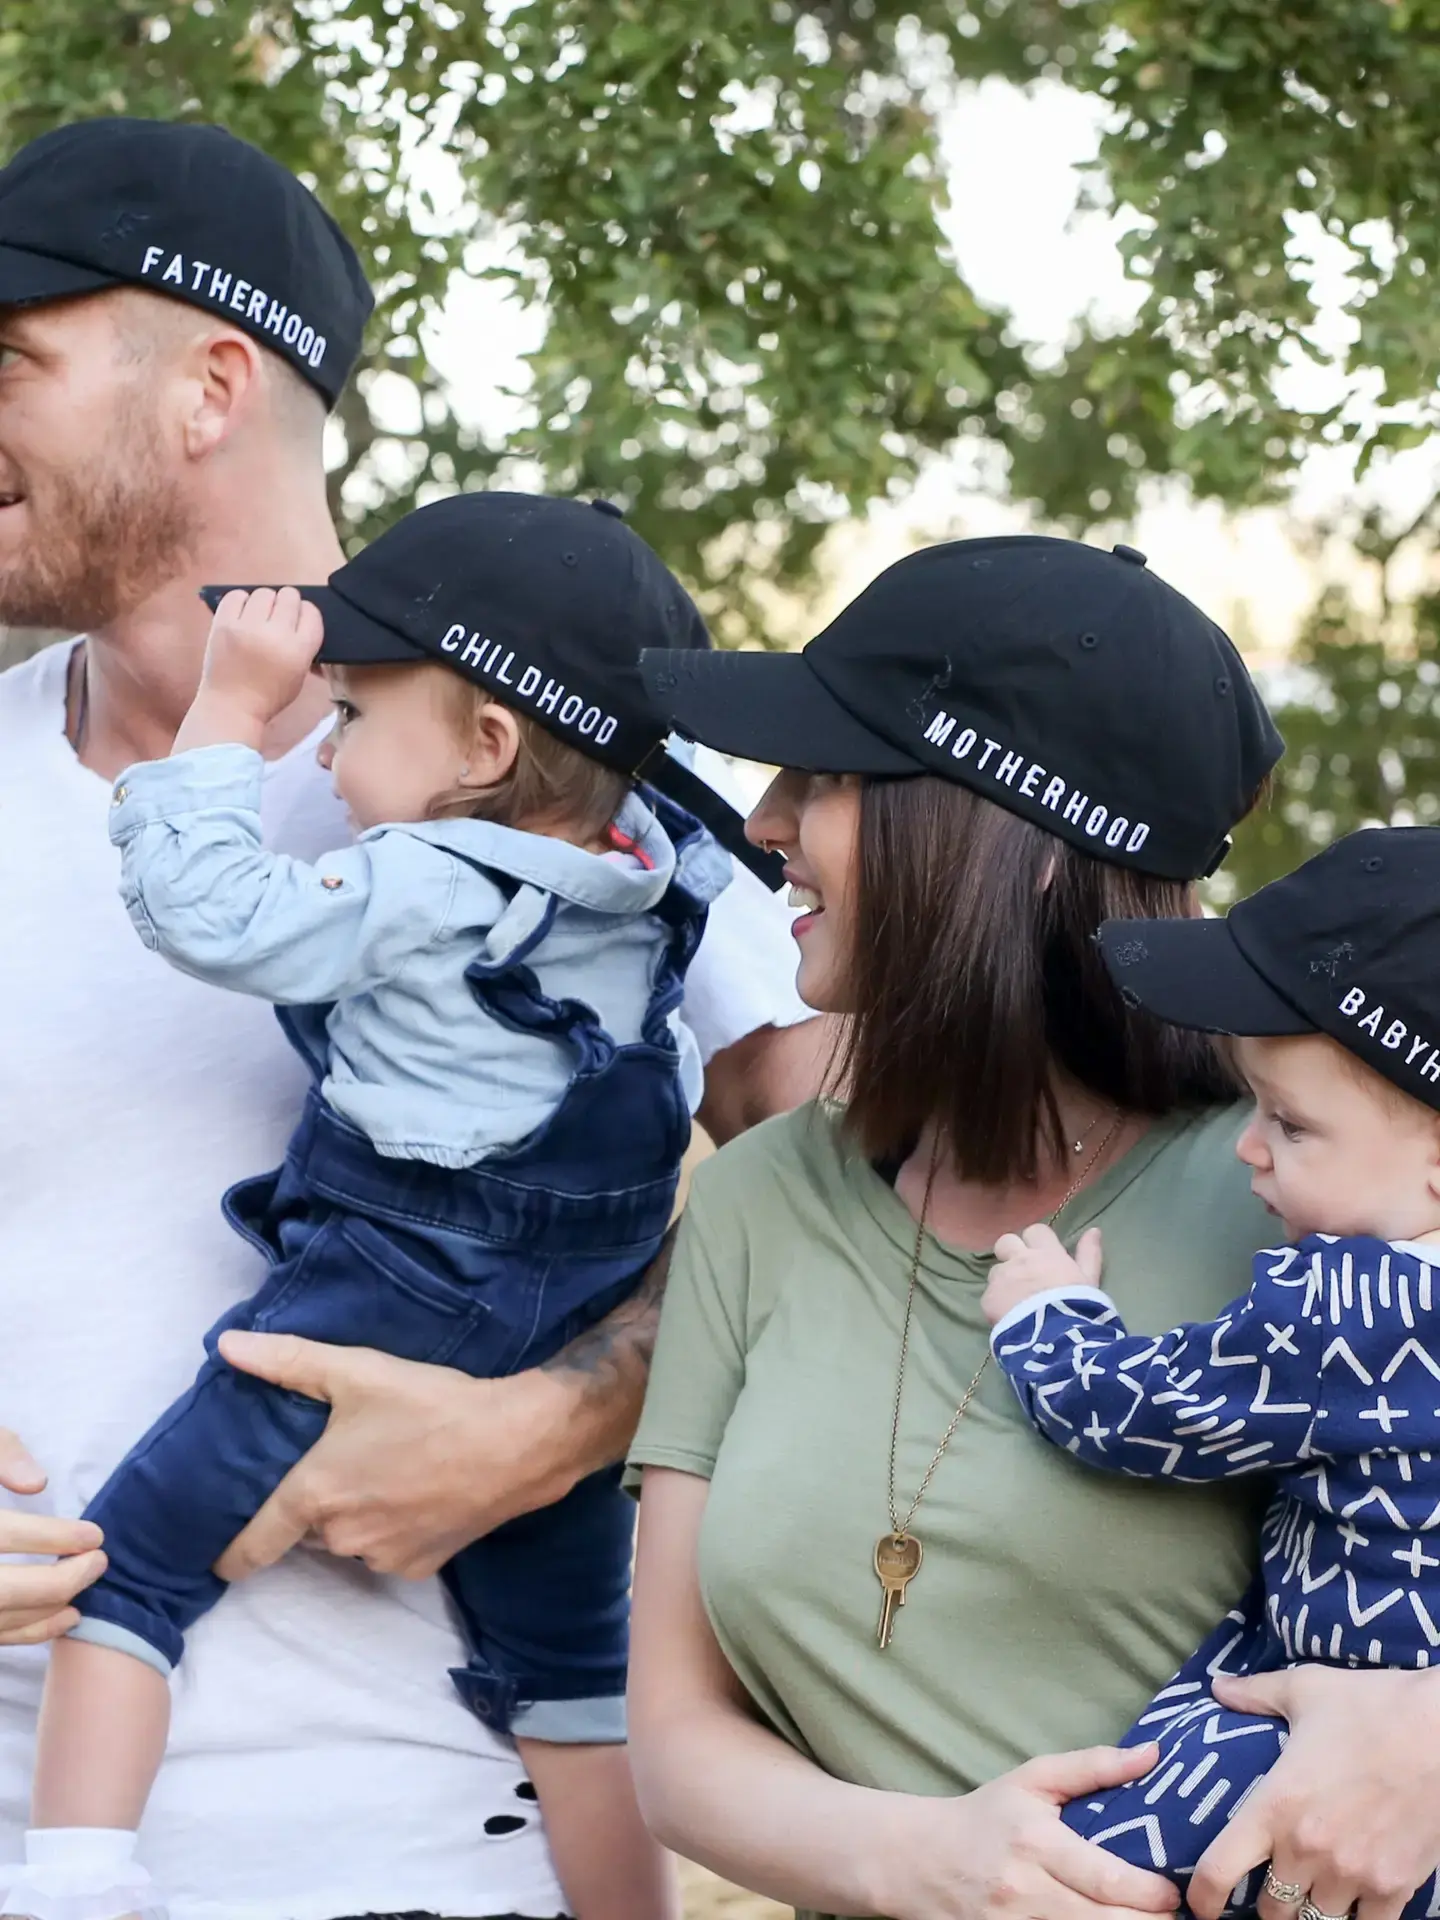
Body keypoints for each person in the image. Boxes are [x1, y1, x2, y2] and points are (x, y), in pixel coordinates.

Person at [0, 116, 817, 1920]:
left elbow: (888, 1204)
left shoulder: (589, 779)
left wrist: (578, 1412)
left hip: (414, 1849)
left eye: (14, 361)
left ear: (209, 384)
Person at [626, 534, 1440, 1920]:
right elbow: (678, 1738)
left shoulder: (1301, 1202)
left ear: (999, 839)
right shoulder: (759, 1201)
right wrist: (931, 1863)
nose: (765, 819)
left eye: (825, 777)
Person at [981, 825, 1440, 1920]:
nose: (1249, 1149)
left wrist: (1047, 1317)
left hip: (1326, 1719)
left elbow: (1138, 1410)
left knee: (1096, 1861)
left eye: (1291, 1124)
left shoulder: (1349, 1309)